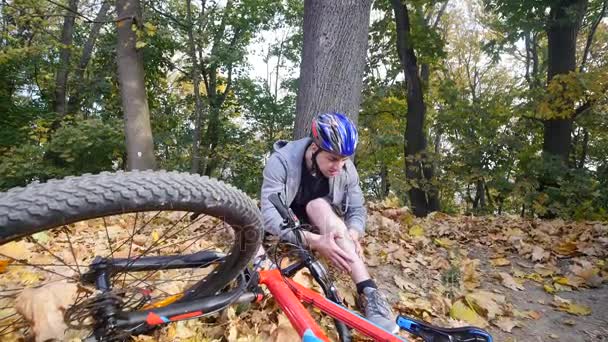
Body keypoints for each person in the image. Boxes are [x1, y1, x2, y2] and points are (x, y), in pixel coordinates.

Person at [260, 112, 398, 332]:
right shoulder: (282, 161)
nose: (339, 166)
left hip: (319, 218)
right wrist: (315, 241)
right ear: (314, 149)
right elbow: (269, 214)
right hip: (287, 219)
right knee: (245, 226)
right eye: (333, 158)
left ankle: (369, 292)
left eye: (344, 160)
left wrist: (353, 231)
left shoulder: (346, 169)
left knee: (318, 205)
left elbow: (356, 208)